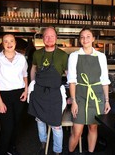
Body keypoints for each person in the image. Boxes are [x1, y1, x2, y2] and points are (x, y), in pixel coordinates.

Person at [67, 28, 111, 155]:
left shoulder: (101, 57)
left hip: (96, 96)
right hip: (80, 95)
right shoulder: (74, 56)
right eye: (82, 37)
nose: (85, 39)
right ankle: (70, 152)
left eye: (88, 36)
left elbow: (104, 80)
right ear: (80, 40)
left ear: (93, 39)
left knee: (93, 127)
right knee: (77, 131)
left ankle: (90, 152)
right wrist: (74, 101)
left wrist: (107, 101)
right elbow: (72, 80)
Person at [28, 26, 68, 155]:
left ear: (56, 38)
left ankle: (57, 151)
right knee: (40, 121)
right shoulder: (37, 53)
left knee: (56, 125)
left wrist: (73, 93)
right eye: (46, 36)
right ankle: (43, 143)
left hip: (54, 93)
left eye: (52, 36)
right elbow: (33, 68)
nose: (49, 38)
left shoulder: (62, 55)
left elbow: (69, 74)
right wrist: (32, 85)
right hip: (39, 93)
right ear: (42, 38)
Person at [0, 34, 28, 155]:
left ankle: (12, 148)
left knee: (16, 125)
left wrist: (26, 90)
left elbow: (25, 75)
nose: (9, 43)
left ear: (15, 43)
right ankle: (2, 151)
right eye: (6, 41)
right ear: (2, 44)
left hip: (19, 94)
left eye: (11, 41)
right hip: (4, 95)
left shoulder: (21, 58)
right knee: (7, 127)